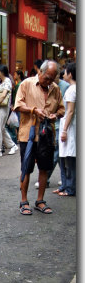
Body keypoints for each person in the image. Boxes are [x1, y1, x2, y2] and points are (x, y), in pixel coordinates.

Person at [13, 60, 65, 215]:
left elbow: (62, 109)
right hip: (28, 135)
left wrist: (55, 115)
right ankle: (24, 201)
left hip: (47, 135)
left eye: (52, 78)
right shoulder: (26, 84)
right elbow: (17, 105)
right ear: (40, 72)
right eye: (47, 77)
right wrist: (34, 110)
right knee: (26, 169)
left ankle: (40, 201)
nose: (49, 81)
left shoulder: (55, 89)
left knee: (44, 168)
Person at [34, 70, 69, 189]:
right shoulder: (40, 85)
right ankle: (66, 181)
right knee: (59, 154)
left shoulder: (64, 87)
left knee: (56, 153)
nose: (53, 79)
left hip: (59, 125)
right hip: (48, 124)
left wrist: (57, 115)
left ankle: (48, 178)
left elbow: (63, 109)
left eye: (56, 76)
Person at [55, 62, 76, 196]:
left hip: (69, 128)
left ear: (70, 74)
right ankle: (65, 186)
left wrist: (64, 131)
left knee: (70, 160)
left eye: (65, 72)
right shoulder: (72, 88)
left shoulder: (72, 89)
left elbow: (70, 111)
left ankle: (70, 188)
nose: (63, 74)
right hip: (69, 127)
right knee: (65, 158)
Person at [0, 64, 18, 158]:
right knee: (1, 128)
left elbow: (4, 94)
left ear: (2, 71)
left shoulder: (7, 81)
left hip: (2, 108)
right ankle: (12, 145)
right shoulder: (0, 82)